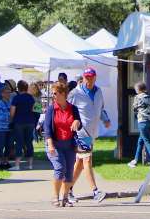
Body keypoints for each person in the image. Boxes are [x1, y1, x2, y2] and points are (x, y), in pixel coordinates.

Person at [68, 68, 111, 203]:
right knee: (87, 160)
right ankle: (95, 191)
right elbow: (67, 110)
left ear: (95, 77)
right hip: (80, 132)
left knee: (80, 163)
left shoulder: (98, 92)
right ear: (83, 78)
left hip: (92, 132)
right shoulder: (75, 93)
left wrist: (106, 119)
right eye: (87, 77)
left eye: (91, 77)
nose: (89, 80)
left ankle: (67, 190)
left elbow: (101, 108)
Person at [43, 81, 83, 207]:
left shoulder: (73, 108)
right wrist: (50, 145)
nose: (54, 96)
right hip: (55, 144)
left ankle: (65, 197)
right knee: (60, 168)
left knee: (69, 172)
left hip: (69, 145)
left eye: (55, 93)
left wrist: (77, 122)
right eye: (53, 93)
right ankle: (55, 197)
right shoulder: (51, 109)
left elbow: (79, 124)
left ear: (63, 94)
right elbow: (47, 128)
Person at [129, 81, 150, 168]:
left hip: (142, 121)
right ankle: (135, 160)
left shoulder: (137, 97)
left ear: (138, 89)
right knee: (140, 141)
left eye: (136, 89)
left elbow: (134, 109)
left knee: (146, 141)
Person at [11, 80, 37, 170]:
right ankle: (30, 164)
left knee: (19, 142)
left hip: (19, 122)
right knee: (29, 142)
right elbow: (36, 110)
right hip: (30, 122)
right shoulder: (31, 98)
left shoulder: (16, 98)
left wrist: (11, 119)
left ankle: (17, 165)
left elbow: (12, 111)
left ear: (18, 88)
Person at [0, 84, 14, 169]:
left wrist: (10, 116)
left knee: (9, 146)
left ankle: (6, 161)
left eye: (9, 93)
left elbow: (12, 114)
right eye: (6, 93)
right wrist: (10, 116)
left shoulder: (11, 102)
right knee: (0, 145)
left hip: (10, 128)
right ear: (2, 94)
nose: (8, 94)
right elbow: (0, 116)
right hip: (1, 128)